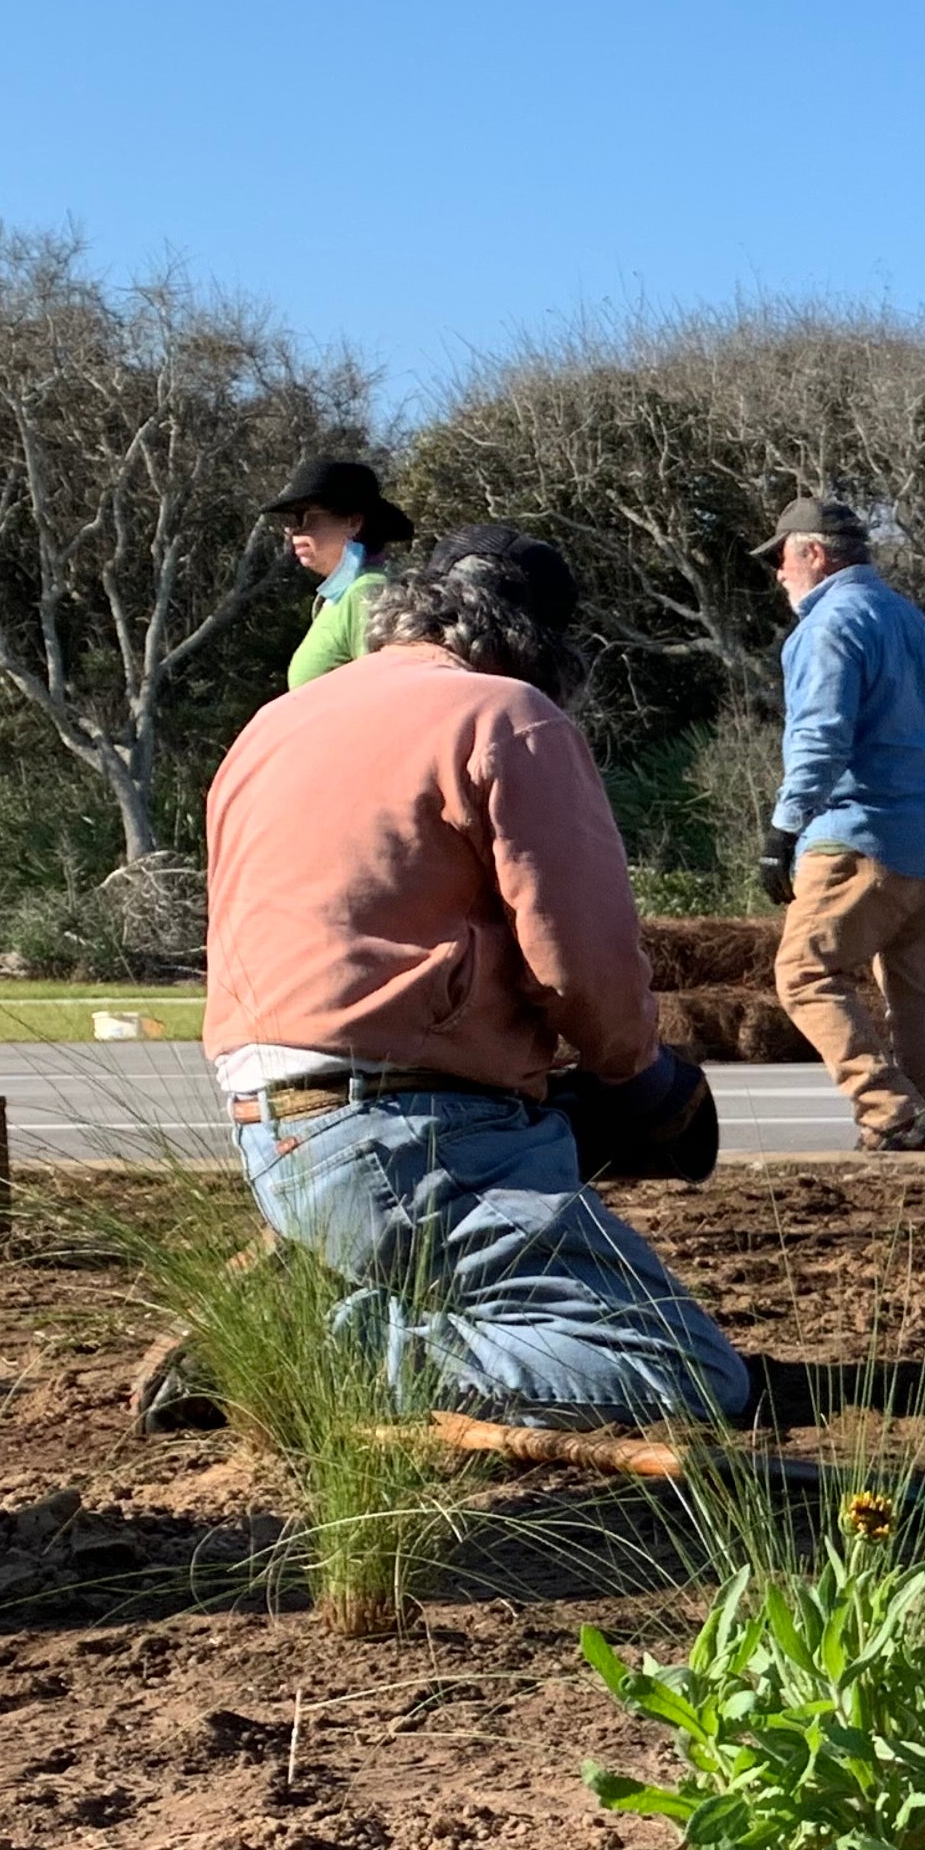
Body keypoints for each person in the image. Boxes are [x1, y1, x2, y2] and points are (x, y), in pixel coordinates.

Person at [198, 525, 748, 1426]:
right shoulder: (505, 715)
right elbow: (579, 960)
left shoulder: (274, 723)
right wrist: (637, 1072)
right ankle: (311, 1347)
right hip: (413, 1130)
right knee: (679, 1369)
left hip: (276, 1131)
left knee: (498, 1288)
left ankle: (327, 1310)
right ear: (539, 644)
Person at [753, 495, 925, 1153]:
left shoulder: (828, 624)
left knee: (804, 972)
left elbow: (821, 736)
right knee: (918, 994)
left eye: (782, 559)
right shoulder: (907, 618)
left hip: (861, 835)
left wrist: (783, 831)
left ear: (813, 554)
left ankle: (894, 1112)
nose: (778, 575)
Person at [265, 456, 416, 688]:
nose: (293, 531)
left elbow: (384, 692)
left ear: (353, 522)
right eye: (291, 520)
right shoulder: (338, 597)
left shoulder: (367, 592)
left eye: (305, 518)